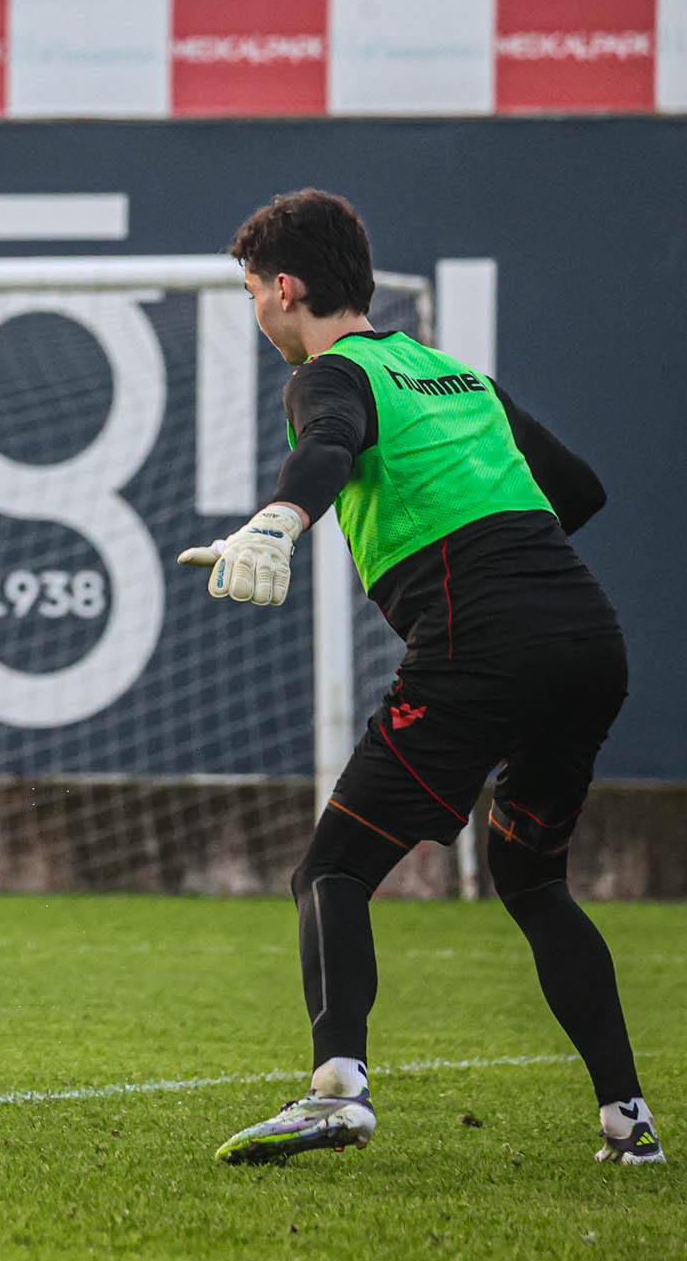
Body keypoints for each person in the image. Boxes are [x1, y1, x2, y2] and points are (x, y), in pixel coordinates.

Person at [186, 189, 662, 1167]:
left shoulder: (329, 374)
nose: (256, 310)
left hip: (479, 647)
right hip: (586, 639)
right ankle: (628, 1122)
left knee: (330, 870)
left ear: (285, 288)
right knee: (531, 877)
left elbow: (327, 445)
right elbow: (578, 490)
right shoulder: (456, 376)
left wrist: (277, 522)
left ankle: (336, 1092)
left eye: (252, 291)